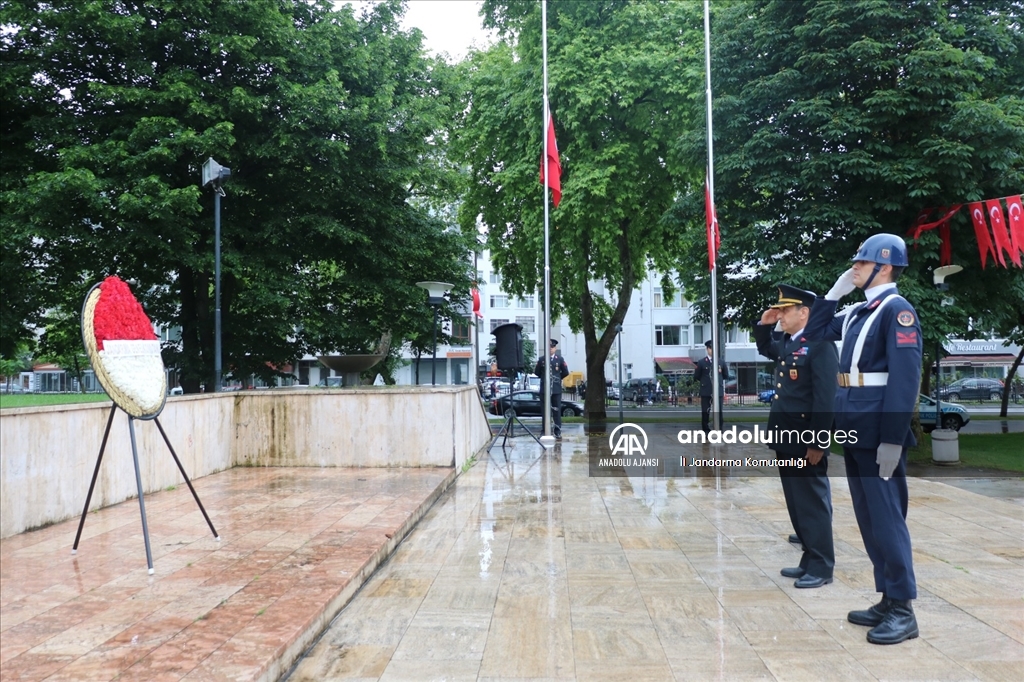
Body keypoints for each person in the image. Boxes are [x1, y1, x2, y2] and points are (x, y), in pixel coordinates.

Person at [802, 233, 923, 645]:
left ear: (884, 267)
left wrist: (893, 437)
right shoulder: (857, 311)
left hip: (878, 429)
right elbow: (816, 331)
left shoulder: (897, 311)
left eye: (861, 263)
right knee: (869, 519)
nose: (854, 267)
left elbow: (905, 381)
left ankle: (903, 608)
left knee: (888, 519)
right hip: (853, 425)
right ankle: (887, 598)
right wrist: (836, 291)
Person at [754, 284, 839, 589]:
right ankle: (809, 558)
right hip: (786, 438)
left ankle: (822, 566)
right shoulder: (793, 343)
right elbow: (767, 348)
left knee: (812, 502)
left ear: (805, 313)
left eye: (786, 310)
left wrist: (819, 442)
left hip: (805, 442)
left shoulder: (820, 344)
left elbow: (825, 398)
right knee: (797, 502)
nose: (780, 315)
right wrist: (765, 325)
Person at [535, 338, 569, 439]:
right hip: (545, 389)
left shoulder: (560, 359)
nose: (550, 349)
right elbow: (537, 373)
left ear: (555, 348)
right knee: (545, 411)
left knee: (556, 410)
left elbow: (565, 372)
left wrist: (557, 379)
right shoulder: (542, 359)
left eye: (552, 347)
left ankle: (557, 430)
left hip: (556, 389)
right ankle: (544, 430)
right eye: (549, 347)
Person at [694, 339, 730, 432]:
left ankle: (719, 429)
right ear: (707, 349)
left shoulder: (720, 362)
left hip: (718, 390)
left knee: (719, 412)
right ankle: (706, 430)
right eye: (710, 348)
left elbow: (726, 375)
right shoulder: (702, 362)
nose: (712, 350)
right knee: (705, 411)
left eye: (714, 348)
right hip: (706, 390)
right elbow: (697, 376)